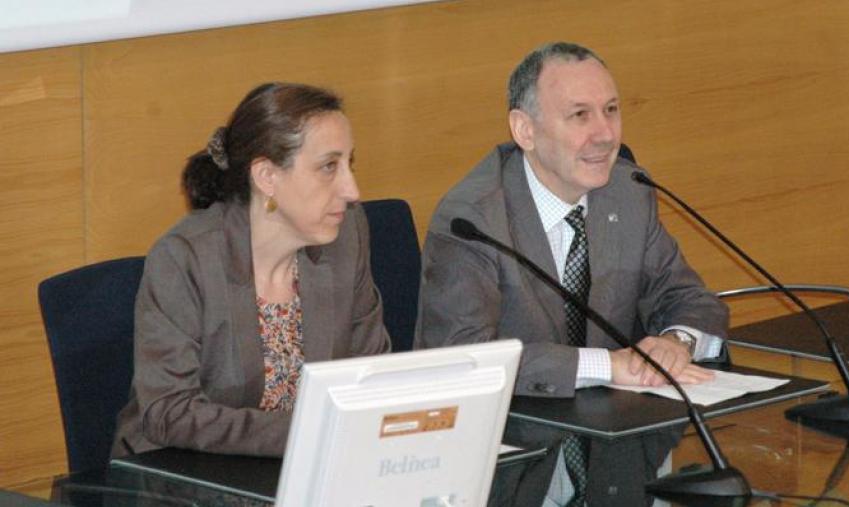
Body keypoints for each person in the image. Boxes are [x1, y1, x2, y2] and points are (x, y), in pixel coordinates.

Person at [415, 42, 729, 506]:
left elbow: (691, 300)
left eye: (611, 110)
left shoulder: (628, 190)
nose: (605, 135)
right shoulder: (474, 218)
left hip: (609, 451)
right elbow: (462, 356)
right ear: (525, 129)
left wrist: (675, 343)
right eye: (580, 115)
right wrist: (608, 365)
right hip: (508, 468)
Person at [112, 82, 391, 459]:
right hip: (181, 471)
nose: (352, 190)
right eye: (329, 167)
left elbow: (370, 373)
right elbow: (169, 413)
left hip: (300, 467)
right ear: (267, 177)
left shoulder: (347, 233)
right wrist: (309, 432)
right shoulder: (184, 258)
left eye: (348, 164)